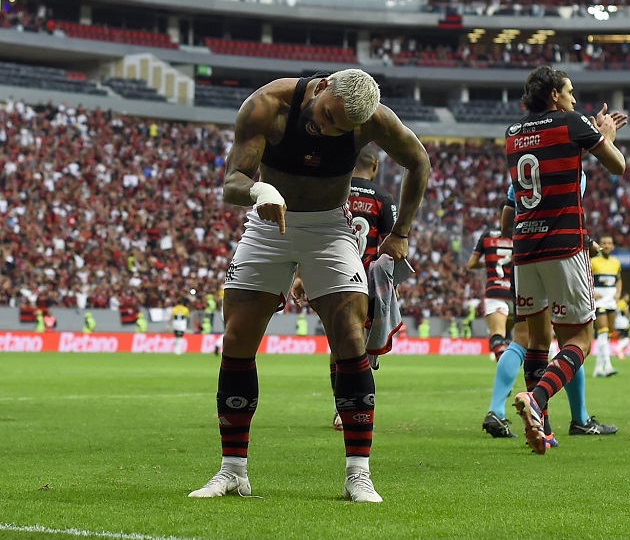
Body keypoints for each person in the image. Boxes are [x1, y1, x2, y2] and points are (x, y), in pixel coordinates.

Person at [189, 69, 429, 503]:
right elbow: (232, 183)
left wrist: (402, 232)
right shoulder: (267, 105)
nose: (328, 128)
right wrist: (261, 190)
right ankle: (232, 471)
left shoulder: (373, 120)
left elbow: (419, 160)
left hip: (329, 229)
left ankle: (359, 474)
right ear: (321, 89)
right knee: (237, 336)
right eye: (327, 116)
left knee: (350, 335)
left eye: (341, 128)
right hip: (267, 224)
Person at [506, 65, 627, 455]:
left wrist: (585, 132)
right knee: (579, 339)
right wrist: (604, 135)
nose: (575, 98)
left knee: (538, 340)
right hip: (563, 244)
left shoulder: (513, 133)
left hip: (524, 248)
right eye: (570, 91)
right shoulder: (572, 122)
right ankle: (537, 401)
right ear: (555, 96)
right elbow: (617, 165)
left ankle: (545, 430)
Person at [482, 188, 618, 442]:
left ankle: (512, 415)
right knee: (574, 338)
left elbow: (505, 224)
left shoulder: (522, 161)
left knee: (527, 339)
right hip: (562, 254)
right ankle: (577, 417)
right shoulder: (569, 161)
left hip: (524, 255)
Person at [291, 144, 398, 432]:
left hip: (333, 278)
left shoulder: (335, 192)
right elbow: (394, 247)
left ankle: (341, 408)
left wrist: (300, 275)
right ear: (374, 166)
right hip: (367, 283)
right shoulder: (384, 199)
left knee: (338, 344)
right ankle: (357, 406)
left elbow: (313, 237)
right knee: (361, 347)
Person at [466, 226, 514, 360]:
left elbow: (471, 265)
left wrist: (487, 264)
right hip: (516, 293)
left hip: (495, 291)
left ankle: (502, 363)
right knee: (518, 337)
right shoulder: (521, 234)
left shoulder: (487, 237)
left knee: (497, 334)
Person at [591, 234, 622, 377]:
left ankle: (598, 368)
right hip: (599, 302)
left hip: (611, 301)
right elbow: (585, 278)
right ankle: (608, 366)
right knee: (602, 331)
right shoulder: (593, 262)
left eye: (609, 243)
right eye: (604, 243)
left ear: (613, 246)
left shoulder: (616, 263)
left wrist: (618, 294)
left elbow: (618, 279)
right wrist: (591, 292)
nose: (607, 245)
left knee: (607, 334)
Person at [614, 293, 630, 360]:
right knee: (627, 339)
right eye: (627, 297)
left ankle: (621, 354)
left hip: (617, 323)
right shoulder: (623, 303)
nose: (628, 298)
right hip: (623, 323)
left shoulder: (618, 303)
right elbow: (626, 313)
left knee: (621, 338)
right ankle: (618, 349)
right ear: (624, 297)